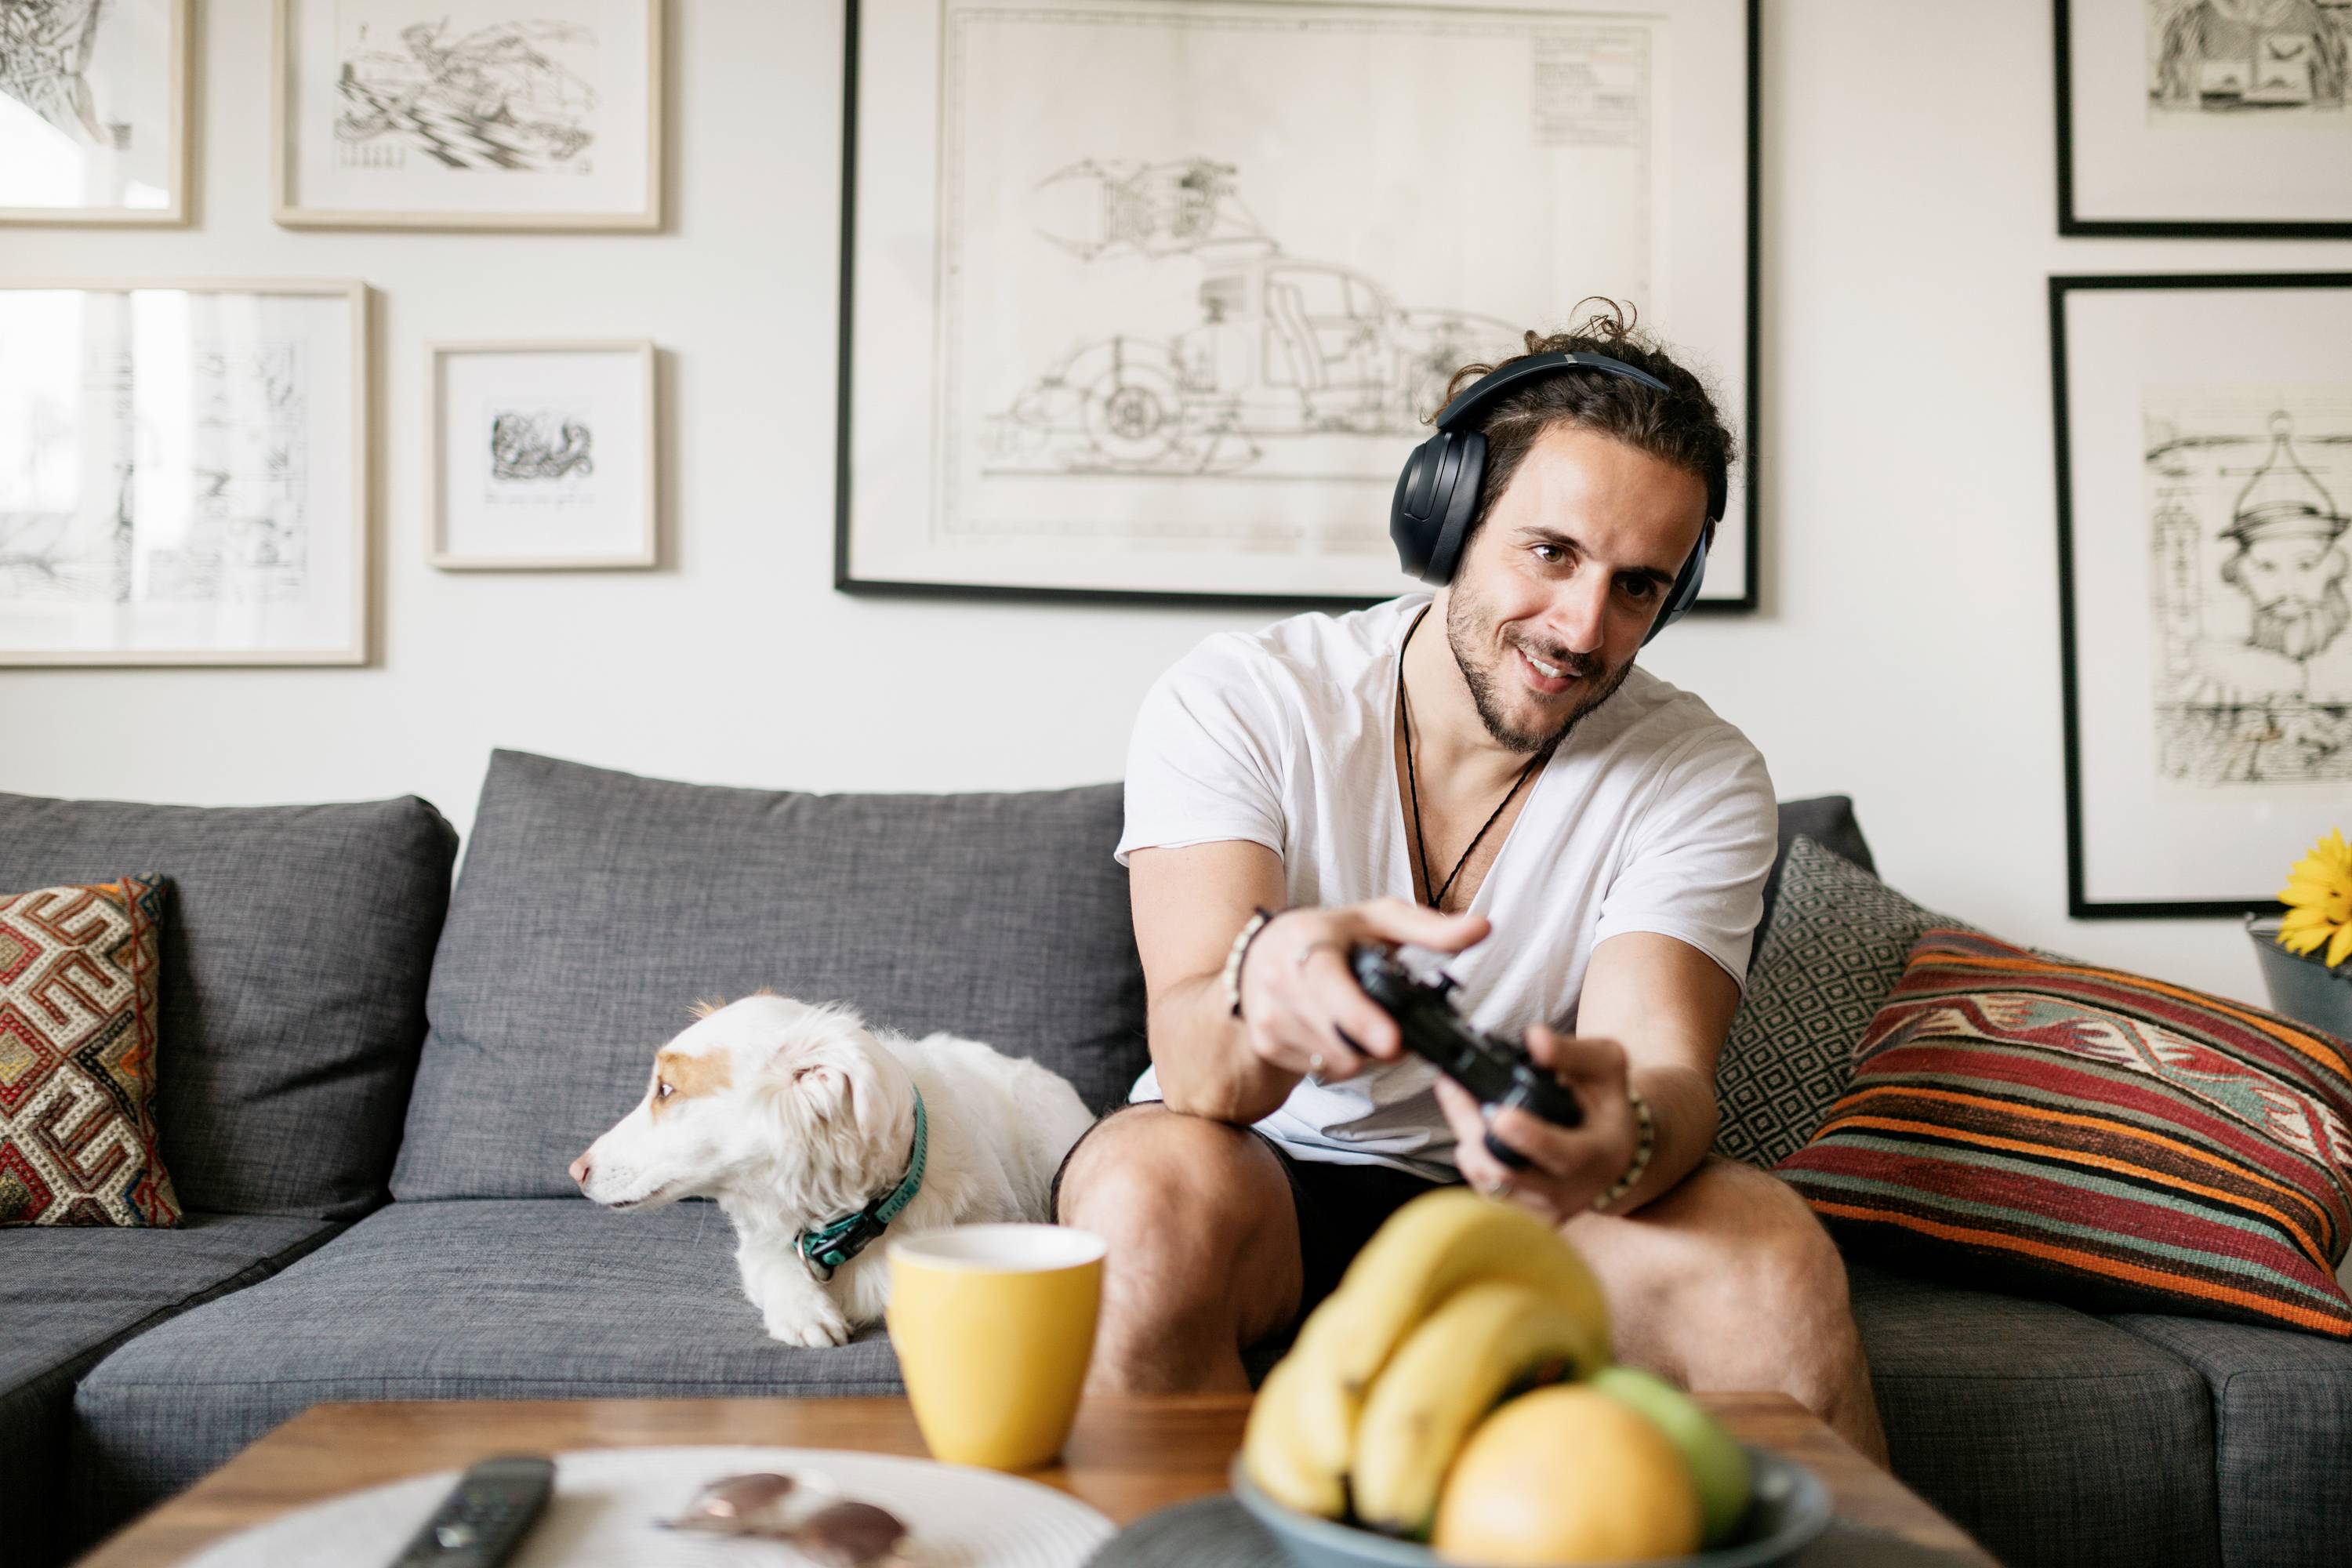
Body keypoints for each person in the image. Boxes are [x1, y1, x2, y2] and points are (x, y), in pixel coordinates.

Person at [1051, 303, 1889, 1463]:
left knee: (1771, 1247)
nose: (1584, 627)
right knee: (1143, 1196)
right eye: (1552, 553)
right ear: (1449, 521)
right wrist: (1268, 983)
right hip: (1262, 1173)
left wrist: (1627, 1133)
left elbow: (1666, 1074)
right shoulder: (1242, 698)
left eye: (1640, 586)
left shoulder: (1698, 773)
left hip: (1536, 1209)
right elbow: (1200, 1065)